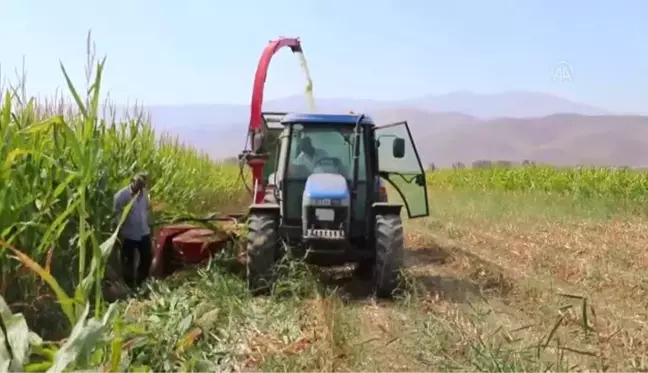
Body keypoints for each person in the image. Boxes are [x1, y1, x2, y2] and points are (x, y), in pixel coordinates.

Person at [113, 172, 152, 288]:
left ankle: (141, 284)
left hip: (144, 232)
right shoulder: (121, 196)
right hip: (128, 234)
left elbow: (146, 212)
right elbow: (117, 217)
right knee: (128, 262)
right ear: (132, 181)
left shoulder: (145, 194)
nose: (140, 188)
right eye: (138, 184)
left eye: (143, 185)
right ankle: (129, 287)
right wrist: (118, 236)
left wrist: (151, 229)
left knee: (146, 258)